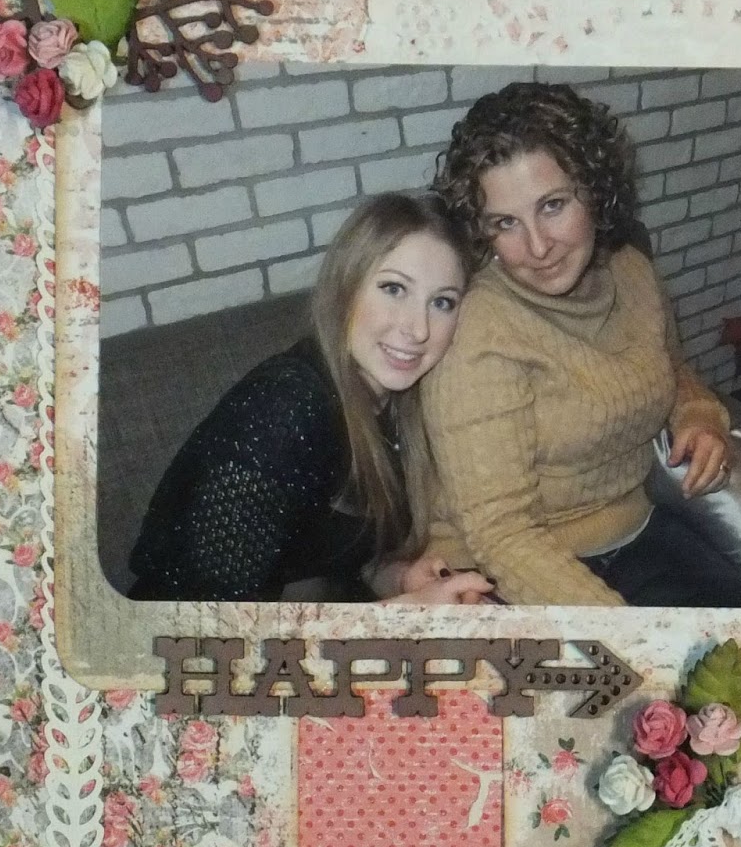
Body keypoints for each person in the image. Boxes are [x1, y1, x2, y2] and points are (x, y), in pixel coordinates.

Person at [421, 82, 741, 608]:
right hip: (509, 569)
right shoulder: (481, 333)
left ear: (596, 191)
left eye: (553, 205)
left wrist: (697, 415)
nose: (538, 246)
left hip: (633, 528)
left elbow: (671, 366)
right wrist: (616, 631)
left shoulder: (632, 272)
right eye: (505, 223)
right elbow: (501, 534)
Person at [127, 193, 493, 605]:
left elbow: (342, 556)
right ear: (345, 288)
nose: (418, 329)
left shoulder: (395, 400)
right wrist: (407, 612)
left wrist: (404, 579)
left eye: (442, 302)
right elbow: (208, 620)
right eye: (394, 288)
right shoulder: (284, 412)